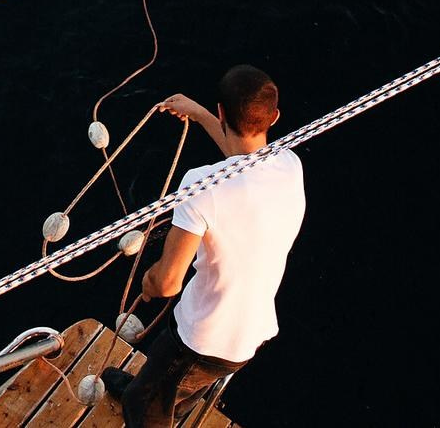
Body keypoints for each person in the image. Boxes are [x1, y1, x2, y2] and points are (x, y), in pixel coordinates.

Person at [101, 65, 305, 428]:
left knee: (142, 408)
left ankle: (147, 402)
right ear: (274, 117)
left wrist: (148, 282)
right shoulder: (289, 165)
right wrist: (197, 113)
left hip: (200, 341)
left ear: (222, 111)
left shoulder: (201, 186)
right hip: (249, 335)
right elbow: (243, 160)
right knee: (181, 387)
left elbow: (167, 283)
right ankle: (162, 398)